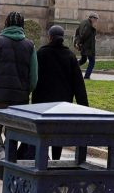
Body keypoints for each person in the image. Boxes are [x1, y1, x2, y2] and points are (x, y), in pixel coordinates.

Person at [0, 10, 37, 179]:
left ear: (6, 25)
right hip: (20, 97)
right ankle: (8, 161)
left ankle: (0, 155)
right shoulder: (30, 45)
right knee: (13, 130)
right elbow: (34, 76)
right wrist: (27, 90)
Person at [34, 25, 89, 159]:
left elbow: (33, 77)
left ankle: (43, 158)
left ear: (49, 37)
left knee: (43, 132)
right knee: (58, 133)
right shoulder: (69, 56)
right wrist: (84, 106)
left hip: (42, 102)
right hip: (62, 103)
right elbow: (78, 84)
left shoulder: (41, 53)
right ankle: (56, 159)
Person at [74, 13, 98, 79]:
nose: (96, 21)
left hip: (85, 46)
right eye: (96, 19)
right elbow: (83, 35)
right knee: (92, 61)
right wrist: (79, 43)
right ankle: (87, 76)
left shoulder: (83, 22)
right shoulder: (88, 25)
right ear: (92, 18)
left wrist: (78, 43)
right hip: (88, 47)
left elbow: (77, 31)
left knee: (83, 60)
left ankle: (72, 68)